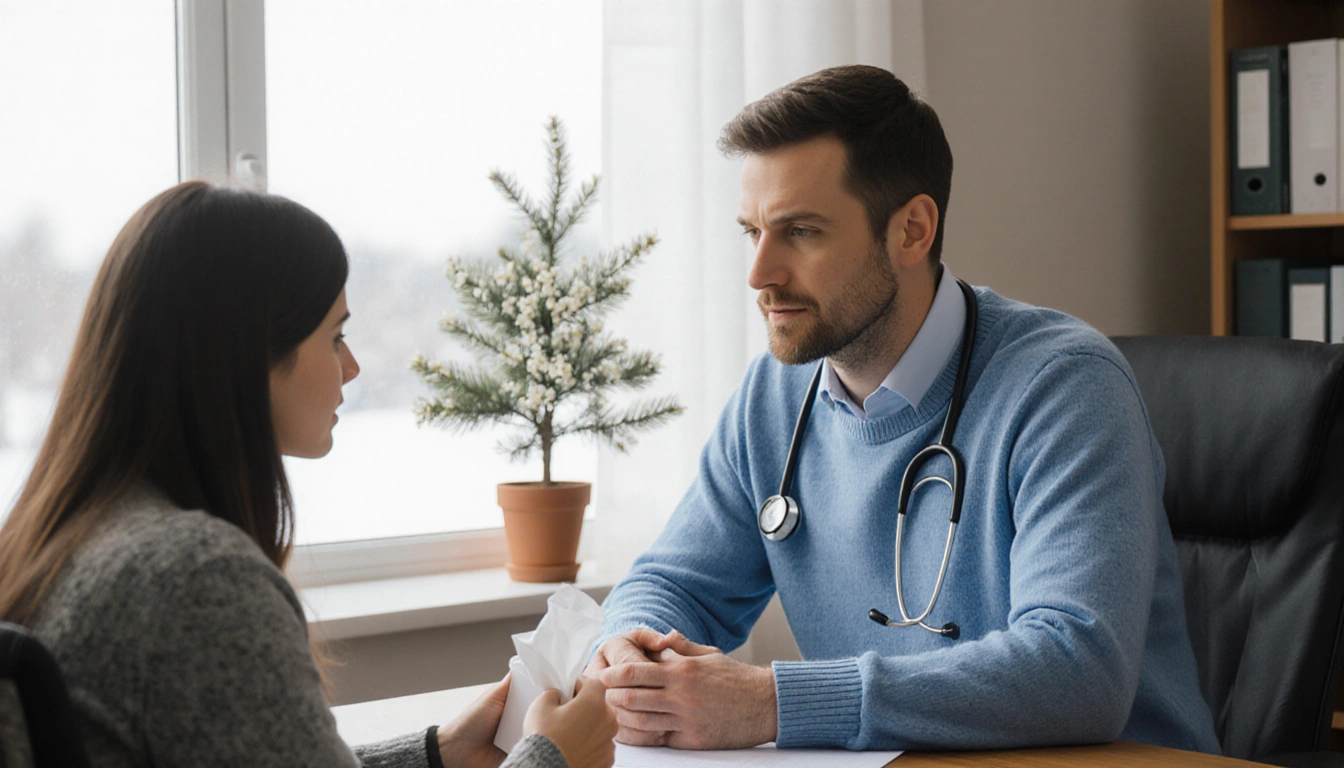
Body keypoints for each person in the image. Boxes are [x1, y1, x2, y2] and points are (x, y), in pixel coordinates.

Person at [587, 65, 1222, 755]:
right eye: (752, 233)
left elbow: (1076, 669)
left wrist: (774, 702)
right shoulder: (774, 398)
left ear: (913, 230)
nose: (760, 274)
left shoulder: (1065, 387)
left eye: (800, 231)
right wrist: (629, 650)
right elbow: (670, 583)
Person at [0, 181, 618, 768]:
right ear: (248, 354)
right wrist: (552, 756)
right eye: (335, 336)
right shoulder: (195, 581)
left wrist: (440, 753)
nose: (350, 368)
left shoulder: (76, 536)